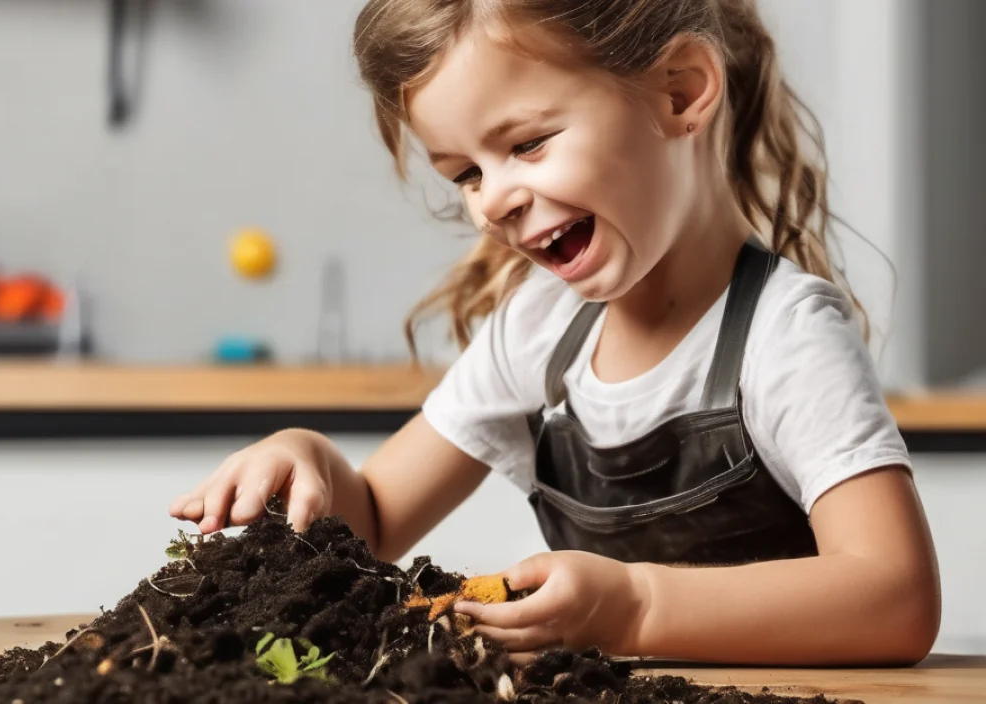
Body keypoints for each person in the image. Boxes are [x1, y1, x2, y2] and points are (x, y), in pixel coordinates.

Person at [170, 0, 940, 667]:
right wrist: (307, 456)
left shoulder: (784, 336)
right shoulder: (538, 333)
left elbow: (896, 594)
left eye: (527, 144)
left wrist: (635, 607)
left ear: (680, 93)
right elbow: (372, 522)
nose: (490, 202)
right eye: (465, 173)